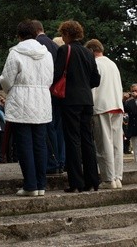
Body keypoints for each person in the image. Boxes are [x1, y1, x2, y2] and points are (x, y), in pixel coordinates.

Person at [0, 20, 53, 196]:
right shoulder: (46, 54)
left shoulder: (15, 53)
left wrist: (11, 90)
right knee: (40, 144)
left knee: (24, 145)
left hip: (21, 101)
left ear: (19, 35)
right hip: (42, 102)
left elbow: (6, 79)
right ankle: (41, 185)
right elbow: (49, 79)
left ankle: (30, 185)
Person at [55, 20, 101, 193]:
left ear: (66, 34)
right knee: (87, 139)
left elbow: (57, 74)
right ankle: (93, 180)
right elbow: (96, 80)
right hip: (87, 100)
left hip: (70, 100)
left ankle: (76, 182)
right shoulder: (89, 53)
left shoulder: (64, 50)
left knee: (72, 140)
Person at [85, 39, 123, 189]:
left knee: (103, 144)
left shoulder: (96, 64)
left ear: (91, 51)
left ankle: (108, 179)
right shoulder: (112, 64)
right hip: (116, 105)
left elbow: (93, 87)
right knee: (116, 144)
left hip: (102, 106)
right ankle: (117, 177)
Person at [31, 20, 64, 176]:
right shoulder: (54, 44)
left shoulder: (37, 45)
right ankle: (60, 160)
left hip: (45, 91)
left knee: (47, 128)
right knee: (58, 128)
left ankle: (51, 162)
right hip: (58, 92)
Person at [124, 83, 137, 162]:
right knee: (136, 151)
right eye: (133, 91)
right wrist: (124, 100)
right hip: (134, 129)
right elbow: (123, 109)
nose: (135, 92)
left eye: (136, 90)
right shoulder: (130, 102)